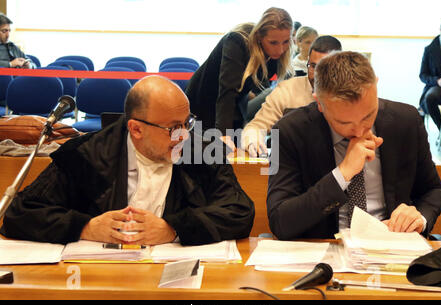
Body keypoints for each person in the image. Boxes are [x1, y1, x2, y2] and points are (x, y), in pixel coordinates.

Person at [0, 75, 255, 246]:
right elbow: (20, 213)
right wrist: (85, 227)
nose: (183, 135)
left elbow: (239, 211)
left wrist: (174, 228)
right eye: (173, 127)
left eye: (187, 123)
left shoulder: (201, 151)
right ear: (136, 129)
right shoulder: (87, 155)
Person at [267, 51, 441, 240]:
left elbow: (432, 190)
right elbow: (280, 220)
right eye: (344, 123)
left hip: (391, 244)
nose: (360, 132)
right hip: (324, 247)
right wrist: (342, 174)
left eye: (368, 116)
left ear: (376, 85)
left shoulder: (406, 120)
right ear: (319, 102)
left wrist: (419, 218)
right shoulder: (287, 131)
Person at [185, 7, 294, 151]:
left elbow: (257, 86)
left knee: (233, 153)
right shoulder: (237, 41)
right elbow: (227, 90)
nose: (280, 49)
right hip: (204, 104)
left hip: (234, 106)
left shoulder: (276, 55)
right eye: (273, 43)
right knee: (208, 155)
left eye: (286, 42)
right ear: (259, 37)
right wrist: (223, 135)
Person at [241, 35, 342, 157]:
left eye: (325, 68)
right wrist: (253, 141)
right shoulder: (287, 90)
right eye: (313, 66)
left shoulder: (351, 94)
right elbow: (256, 126)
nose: (317, 75)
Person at [419, 16, 441, 132]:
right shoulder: (429, 49)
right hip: (438, 86)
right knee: (429, 98)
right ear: (440, 30)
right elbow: (423, 75)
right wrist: (437, 81)